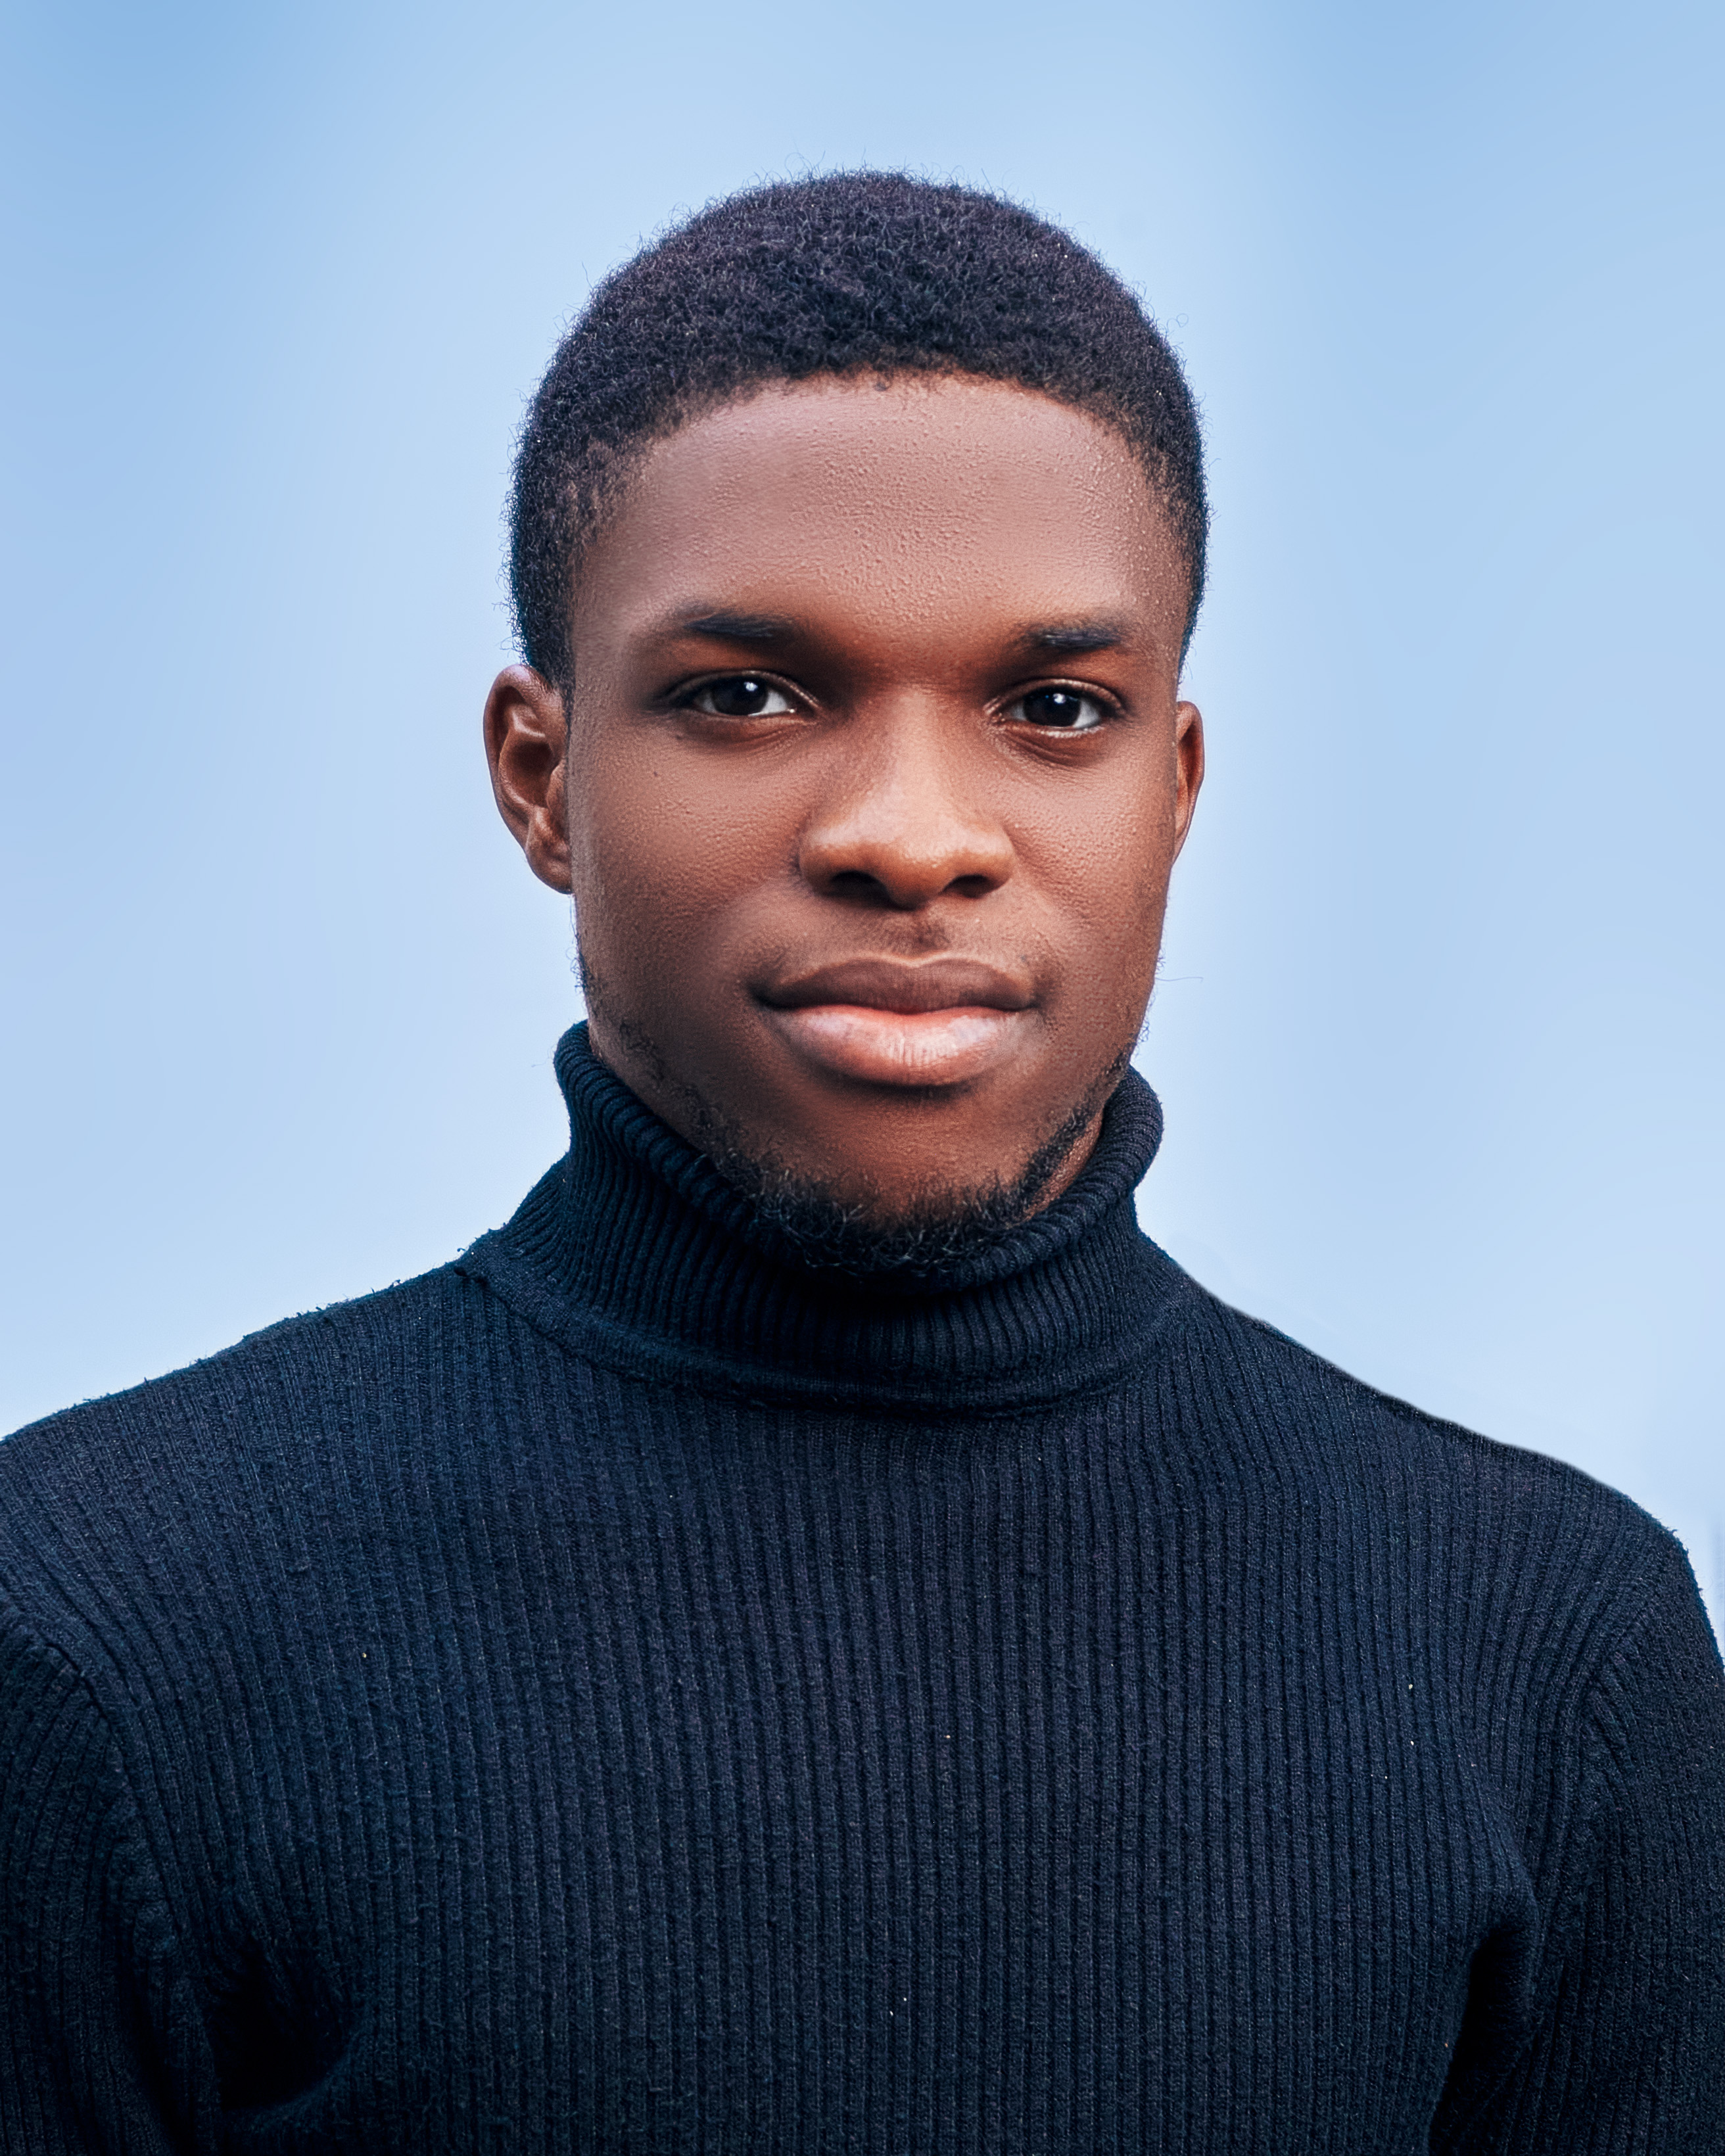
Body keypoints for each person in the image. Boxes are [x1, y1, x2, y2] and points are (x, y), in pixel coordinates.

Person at [1, 173, 1720, 2155]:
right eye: (746, 695)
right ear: (542, 781)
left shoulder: (1552, 1654)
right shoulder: (100, 1630)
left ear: (1172, 788)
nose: (913, 832)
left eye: (1050, 709)